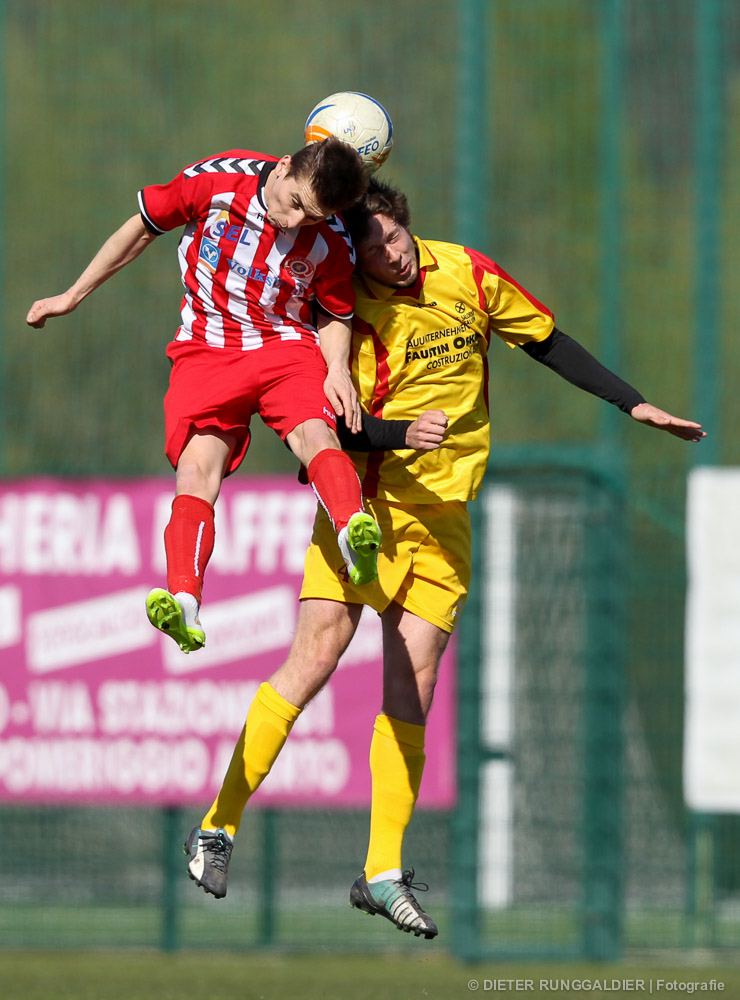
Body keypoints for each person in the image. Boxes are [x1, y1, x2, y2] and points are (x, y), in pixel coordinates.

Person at [182, 177, 705, 939]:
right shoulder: (342, 314)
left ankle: (382, 871)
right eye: (367, 246)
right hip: (366, 509)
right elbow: (330, 430)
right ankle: (219, 825)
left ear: (405, 226)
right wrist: (400, 436)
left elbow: (548, 342)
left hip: (445, 521)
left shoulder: (468, 271)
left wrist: (633, 403)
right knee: (314, 660)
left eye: (390, 237)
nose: (385, 254)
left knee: (413, 686)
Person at [26, 137, 383, 653]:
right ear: (282, 168)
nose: (295, 221)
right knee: (196, 471)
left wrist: (336, 369)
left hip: (284, 346)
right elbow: (140, 229)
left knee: (315, 432)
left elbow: (335, 312)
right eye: (295, 203)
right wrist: (71, 295)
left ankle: (355, 532)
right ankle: (186, 605)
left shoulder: (330, 238)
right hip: (206, 348)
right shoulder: (214, 182)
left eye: (312, 215)